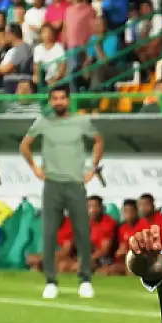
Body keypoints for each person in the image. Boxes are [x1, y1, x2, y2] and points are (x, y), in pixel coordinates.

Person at [21, 85, 103, 299]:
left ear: (68, 100)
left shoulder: (81, 121)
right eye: (54, 98)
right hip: (52, 185)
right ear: (50, 102)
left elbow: (98, 141)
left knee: (83, 233)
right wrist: (35, 167)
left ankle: (85, 279)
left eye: (62, 98)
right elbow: (25, 145)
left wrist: (92, 168)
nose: (58, 102)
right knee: (48, 234)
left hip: (76, 183)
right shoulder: (42, 123)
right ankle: (50, 281)